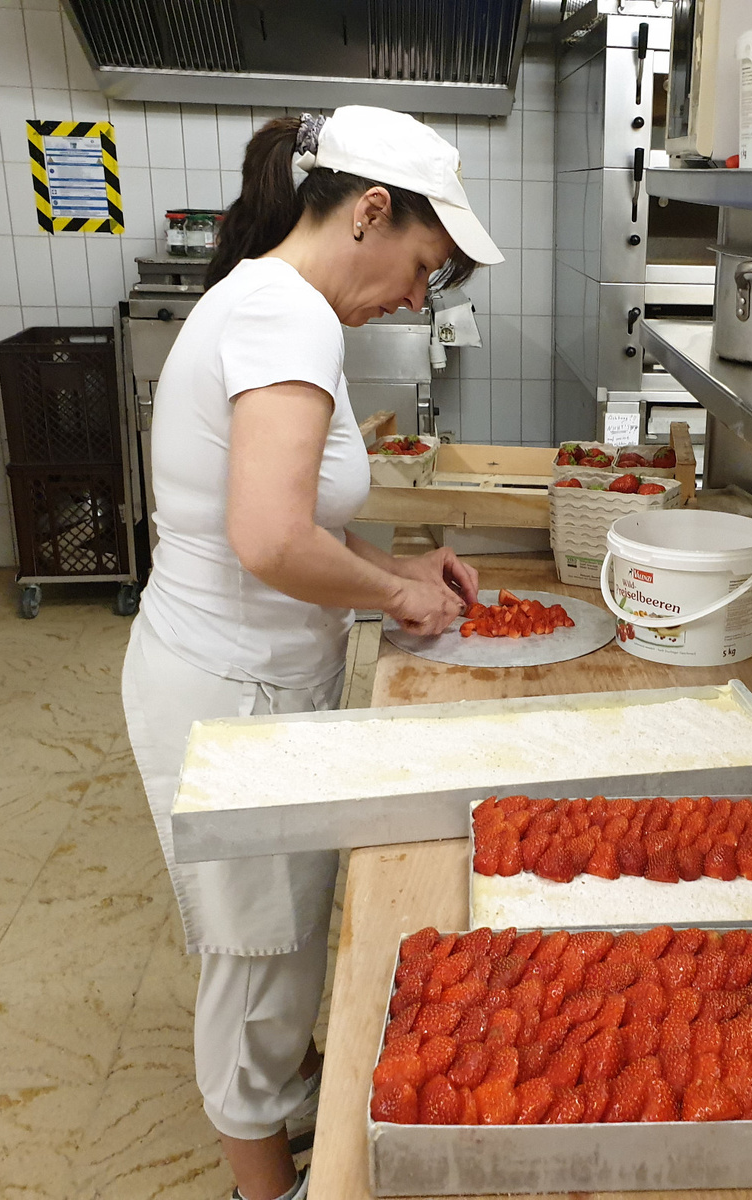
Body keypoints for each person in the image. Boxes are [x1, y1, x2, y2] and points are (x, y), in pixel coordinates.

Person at [120, 106, 500, 1200]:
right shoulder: (284, 318)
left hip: (255, 670)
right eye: (424, 265)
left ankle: (288, 1101)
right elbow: (270, 537)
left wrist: (404, 565)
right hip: (229, 691)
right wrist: (394, 598)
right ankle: (266, 1184)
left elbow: (295, 516)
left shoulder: (278, 305)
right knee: (254, 958)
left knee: (281, 938)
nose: (419, 296)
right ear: (369, 213)